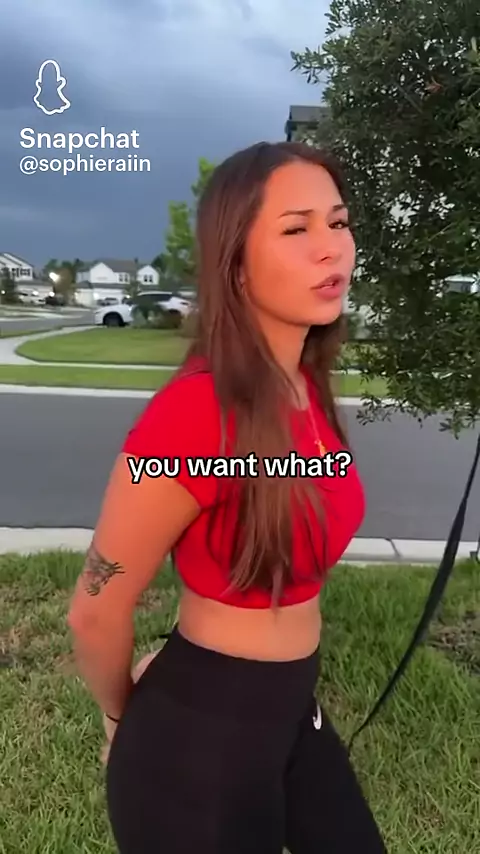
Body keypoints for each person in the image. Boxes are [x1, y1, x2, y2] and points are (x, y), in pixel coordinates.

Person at [67, 140, 387, 853]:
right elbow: (95, 608)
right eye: (296, 228)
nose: (331, 247)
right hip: (195, 744)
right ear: (235, 265)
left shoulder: (303, 387)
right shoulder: (192, 416)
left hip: (291, 710)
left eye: (338, 222)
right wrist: (123, 718)